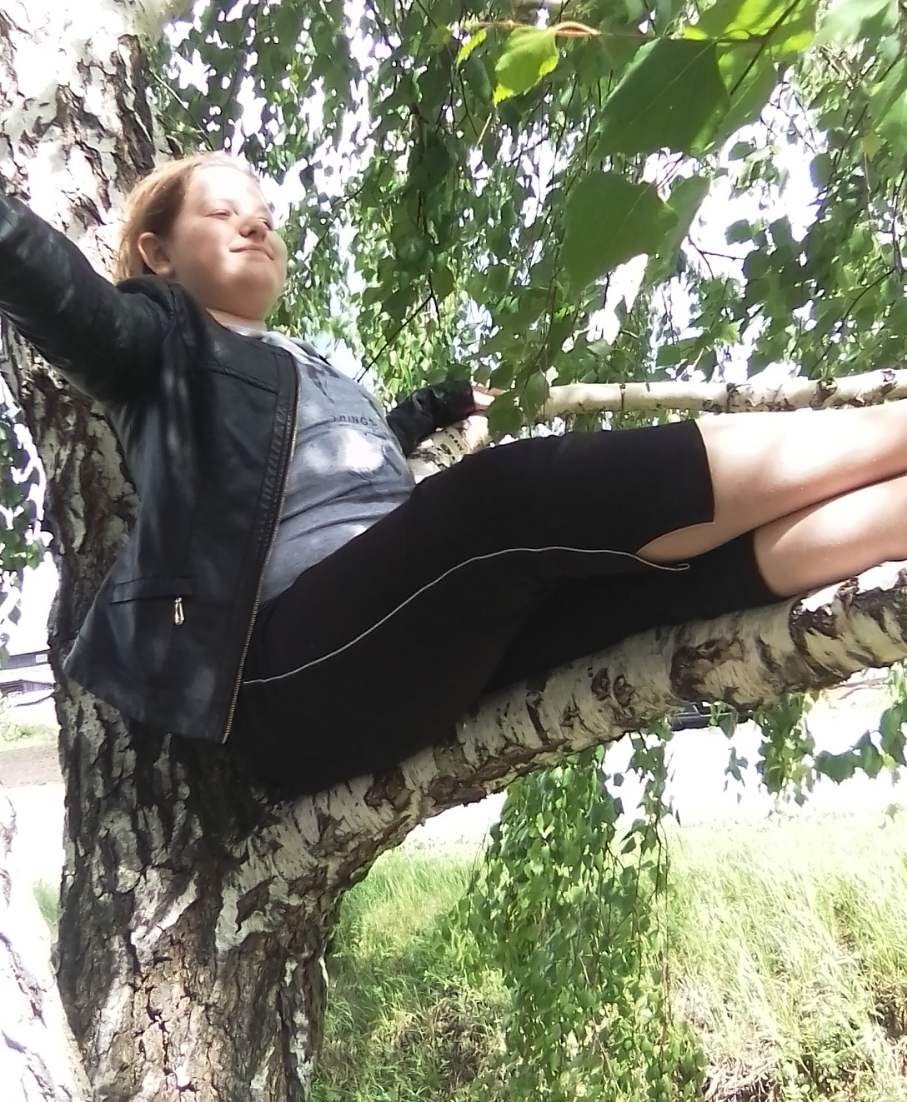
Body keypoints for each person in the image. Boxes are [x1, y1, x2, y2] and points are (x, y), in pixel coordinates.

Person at [1, 150, 904, 801]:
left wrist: (440, 403)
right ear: (157, 254)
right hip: (281, 673)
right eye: (222, 212)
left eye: (266, 213)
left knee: (657, 584)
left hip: (397, 631)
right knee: (494, 501)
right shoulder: (156, 342)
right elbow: (57, 294)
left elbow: (357, 456)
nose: (256, 223)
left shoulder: (300, 363)